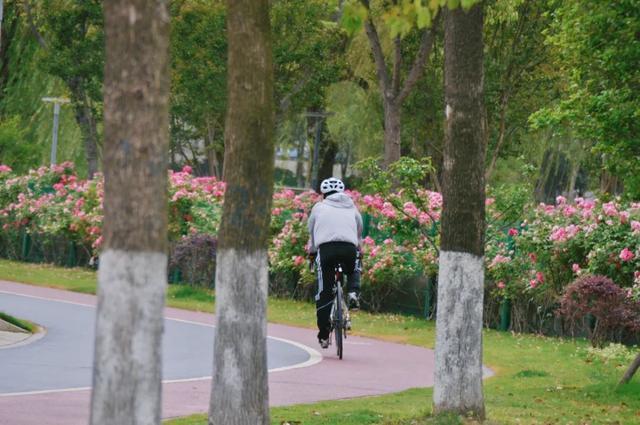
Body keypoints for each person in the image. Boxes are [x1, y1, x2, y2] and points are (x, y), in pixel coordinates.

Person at [307, 177, 363, 349]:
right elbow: (359, 230)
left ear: (323, 194)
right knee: (354, 266)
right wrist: (358, 248)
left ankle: (324, 334)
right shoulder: (352, 207)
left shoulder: (318, 208)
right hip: (348, 247)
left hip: (326, 250)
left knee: (324, 293)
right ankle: (353, 293)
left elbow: (312, 233)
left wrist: (312, 253)